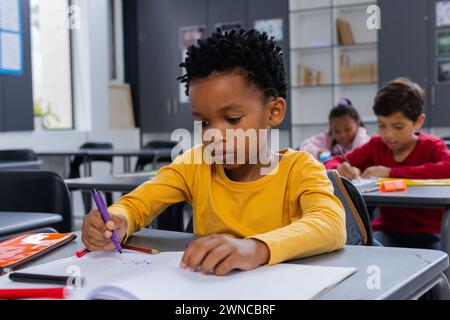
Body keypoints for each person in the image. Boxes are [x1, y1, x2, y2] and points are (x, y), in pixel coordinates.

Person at [81, 29, 346, 275]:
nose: (213, 135)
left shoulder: (299, 169)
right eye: (204, 122)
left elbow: (330, 224)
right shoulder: (196, 165)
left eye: (232, 119)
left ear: (274, 111)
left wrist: (256, 248)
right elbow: (138, 204)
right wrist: (118, 220)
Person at [325, 77, 450, 249]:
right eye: (382, 125)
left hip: (431, 234)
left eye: (398, 127)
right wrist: (340, 168)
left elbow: (447, 168)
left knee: (435, 265)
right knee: (364, 251)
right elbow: (331, 162)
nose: (389, 134)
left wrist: (390, 173)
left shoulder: (431, 145)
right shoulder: (376, 145)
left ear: (419, 121)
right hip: (387, 231)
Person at [300, 99, 370, 161]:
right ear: (331, 129)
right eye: (337, 131)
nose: (342, 135)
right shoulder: (327, 137)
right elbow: (304, 146)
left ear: (358, 124)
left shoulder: (363, 138)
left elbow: (360, 156)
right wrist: (318, 152)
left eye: (347, 129)